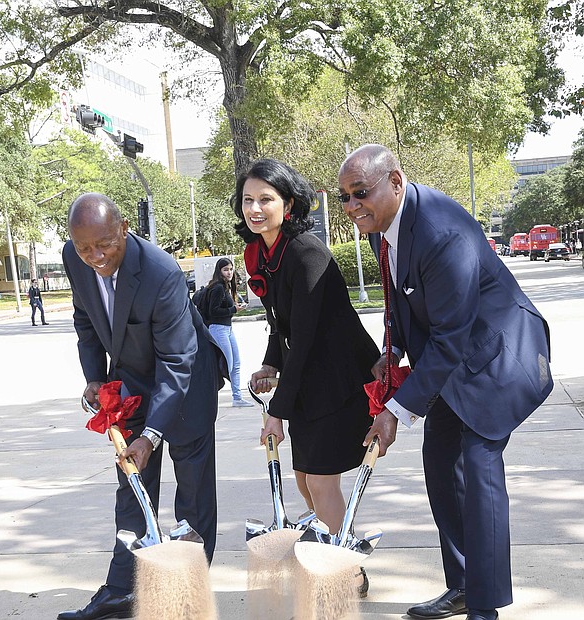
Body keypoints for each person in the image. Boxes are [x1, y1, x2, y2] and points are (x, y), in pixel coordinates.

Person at [338, 144, 553, 620]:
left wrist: (395, 411)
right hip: (452, 364)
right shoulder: (382, 226)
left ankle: (484, 607)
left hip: (496, 360)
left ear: (395, 182)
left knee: (478, 472)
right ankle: (463, 585)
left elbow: (452, 335)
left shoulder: (440, 231)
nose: (352, 206)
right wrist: (392, 350)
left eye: (360, 193)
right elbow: (402, 298)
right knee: (440, 464)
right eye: (344, 197)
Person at [59, 193, 224, 620]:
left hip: (187, 382)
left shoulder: (160, 271)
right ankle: (123, 589)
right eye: (84, 247)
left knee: (193, 493)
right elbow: (85, 318)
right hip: (131, 381)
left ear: (124, 228)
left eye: (104, 244)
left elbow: (176, 360)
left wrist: (151, 435)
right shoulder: (74, 257)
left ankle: (187, 596)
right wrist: (95, 377)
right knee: (133, 486)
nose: (95, 256)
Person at [233, 158, 381, 596]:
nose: (254, 208)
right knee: (304, 480)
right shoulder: (264, 253)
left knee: (319, 480)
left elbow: (307, 337)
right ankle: (338, 558)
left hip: (339, 380)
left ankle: (346, 574)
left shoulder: (306, 252)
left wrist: (276, 412)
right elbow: (280, 325)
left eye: (265, 199)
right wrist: (269, 365)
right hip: (308, 382)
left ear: (289, 203)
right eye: (247, 200)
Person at [205, 257, 252, 407]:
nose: (229, 272)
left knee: (235, 363)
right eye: (226, 270)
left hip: (228, 329)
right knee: (226, 365)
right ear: (219, 271)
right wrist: (234, 309)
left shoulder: (226, 287)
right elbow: (213, 311)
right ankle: (207, 396)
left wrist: (234, 308)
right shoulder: (218, 287)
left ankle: (237, 397)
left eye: (231, 269)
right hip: (218, 329)